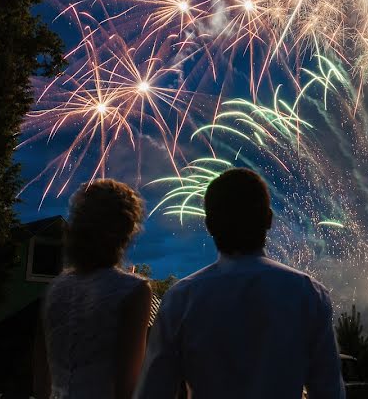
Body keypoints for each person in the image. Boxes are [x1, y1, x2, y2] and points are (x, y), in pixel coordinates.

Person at [135, 168, 344, 399]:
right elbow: (329, 390)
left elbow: (153, 389)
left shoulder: (181, 298)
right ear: (269, 220)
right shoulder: (309, 294)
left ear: (209, 225)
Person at [40, 179, 153, 399]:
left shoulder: (55, 289)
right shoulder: (134, 290)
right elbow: (127, 386)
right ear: (127, 229)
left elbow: (41, 380)